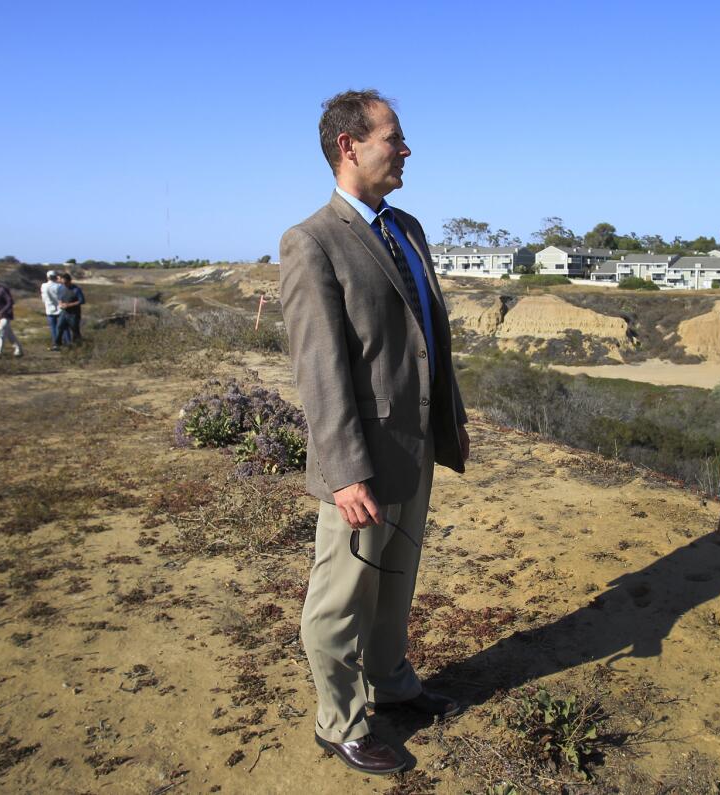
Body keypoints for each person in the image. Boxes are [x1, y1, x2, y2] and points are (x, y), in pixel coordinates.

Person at [278, 89, 470, 776]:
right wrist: (344, 470)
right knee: (337, 602)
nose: (406, 148)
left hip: (413, 448)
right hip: (360, 462)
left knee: (396, 581)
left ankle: (391, 680)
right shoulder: (312, 241)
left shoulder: (408, 228)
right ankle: (341, 720)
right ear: (348, 146)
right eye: (395, 136)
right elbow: (319, 371)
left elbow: (423, 335)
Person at [40, 270, 67, 349]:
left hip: (49, 309)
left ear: (48, 277)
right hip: (60, 309)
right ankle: (66, 342)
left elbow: (43, 298)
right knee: (63, 327)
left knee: (53, 328)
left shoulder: (44, 286)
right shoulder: (59, 286)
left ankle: (56, 344)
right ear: (55, 277)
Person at [57, 273, 86, 345]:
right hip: (64, 312)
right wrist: (61, 304)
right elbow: (60, 298)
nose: (65, 284)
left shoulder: (76, 289)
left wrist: (69, 305)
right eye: (63, 283)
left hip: (74, 313)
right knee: (60, 326)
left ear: (70, 281)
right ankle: (57, 344)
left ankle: (78, 344)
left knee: (74, 329)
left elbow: (82, 301)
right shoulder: (61, 288)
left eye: (66, 283)